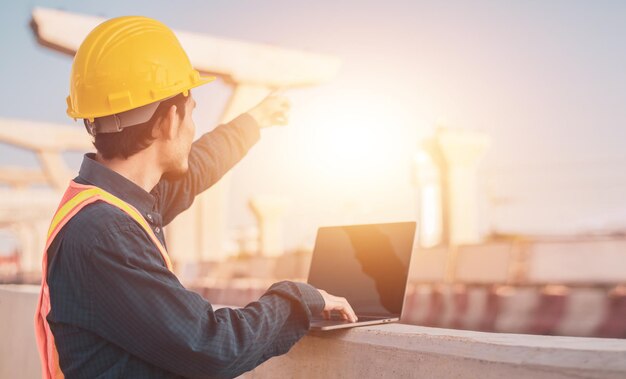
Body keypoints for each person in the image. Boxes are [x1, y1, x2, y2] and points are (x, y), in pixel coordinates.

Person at [34, 15, 357, 379]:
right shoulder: (107, 235)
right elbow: (210, 345)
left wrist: (252, 122)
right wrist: (299, 299)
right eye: (192, 113)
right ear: (170, 120)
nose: (192, 127)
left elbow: (196, 170)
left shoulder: (107, 204)